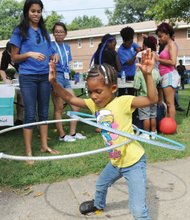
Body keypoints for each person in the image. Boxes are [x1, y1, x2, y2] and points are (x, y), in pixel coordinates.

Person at [49, 48, 158, 219]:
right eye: (90, 91)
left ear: (113, 88)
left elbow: (152, 100)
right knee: (101, 183)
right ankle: (98, 204)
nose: (93, 96)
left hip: (133, 162)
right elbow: (70, 99)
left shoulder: (124, 102)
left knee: (137, 209)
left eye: (97, 91)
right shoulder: (95, 105)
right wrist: (55, 83)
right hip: (115, 160)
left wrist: (148, 75)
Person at [9, 0, 59, 164]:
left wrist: (55, 55)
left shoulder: (44, 32)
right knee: (30, 113)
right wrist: (30, 54)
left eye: (39, 11)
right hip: (28, 77)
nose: (36, 14)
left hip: (44, 76)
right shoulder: (19, 31)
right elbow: (14, 57)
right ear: (27, 12)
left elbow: (50, 51)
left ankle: (44, 146)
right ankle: (29, 153)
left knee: (44, 112)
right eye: (33, 11)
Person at [51, 21, 86, 142]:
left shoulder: (67, 47)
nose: (59, 34)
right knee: (59, 107)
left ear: (65, 34)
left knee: (76, 105)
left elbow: (67, 63)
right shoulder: (50, 45)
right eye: (56, 32)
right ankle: (62, 135)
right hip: (56, 76)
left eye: (61, 32)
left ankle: (72, 133)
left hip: (66, 77)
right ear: (53, 33)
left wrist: (73, 76)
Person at [134, 36, 160, 139]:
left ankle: (146, 133)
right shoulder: (156, 72)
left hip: (143, 98)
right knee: (153, 116)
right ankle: (153, 132)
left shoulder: (139, 73)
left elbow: (136, 87)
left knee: (145, 117)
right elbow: (158, 82)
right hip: (154, 97)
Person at [155, 22, 180, 119]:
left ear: (167, 34)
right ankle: (168, 122)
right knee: (167, 102)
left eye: (161, 36)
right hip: (165, 75)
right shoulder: (166, 45)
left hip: (169, 75)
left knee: (170, 103)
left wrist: (158, 59)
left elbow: (173, 62)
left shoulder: (172, 45)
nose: (159, 39)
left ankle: (171, 125)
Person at [0, 41, 23, 125]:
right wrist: (5, 79)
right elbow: (2, 69)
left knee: (28, 95)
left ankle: (32, 117)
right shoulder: (6, 54)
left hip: (29, 72)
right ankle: (19, 119)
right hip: (18, 73)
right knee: (19, 95)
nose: (11, 56)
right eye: (10, 53)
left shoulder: (23, 52)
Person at [117, 26, 141, 96]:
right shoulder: (120, 51)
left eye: (131, 42)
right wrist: (136, 53)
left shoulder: (132, 44)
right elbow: (129, 63)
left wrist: (139, 49)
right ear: (124, 41)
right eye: (129, 43)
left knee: (131, 94)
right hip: (122, 77)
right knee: (122, 95)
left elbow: (139, 48)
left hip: (132, 75)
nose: (130, 45)